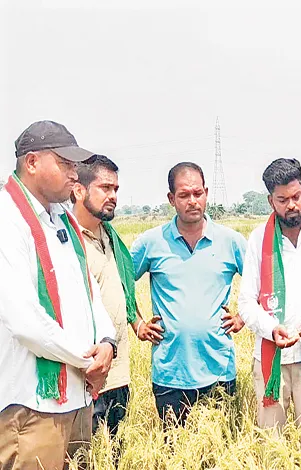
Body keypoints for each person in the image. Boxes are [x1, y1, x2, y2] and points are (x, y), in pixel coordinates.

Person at [0, 121, 116, 470]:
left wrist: (106, 343)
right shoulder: (8, 220)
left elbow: (90, 292)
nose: (74, 173)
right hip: (32, 406)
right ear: (32, 162)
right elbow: (25, 322)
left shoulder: (62, 219)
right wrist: (87, 361)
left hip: (77, 398)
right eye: (64, 163)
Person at [130, 162, 247, 426]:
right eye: (184, 195)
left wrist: (242, 317)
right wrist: (137, 323)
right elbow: (120, 283)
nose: (192, 201)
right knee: (174, 446)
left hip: (219, 369)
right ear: (171, 199)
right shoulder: (152, 242)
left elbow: (262, 283)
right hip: (170, 373)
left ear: (207, 193)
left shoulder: (230, 241)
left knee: (220, 447)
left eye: (198, 193)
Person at [238, 158, 301, 464]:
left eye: (296, 196)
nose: (292, 205)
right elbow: (246, 302)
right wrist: (272, 329)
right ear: (271, 201)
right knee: (274, 449)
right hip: (271, 361)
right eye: (283, 200)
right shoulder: (259, 239)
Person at [70, 155, 162, 437]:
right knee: (84, 453)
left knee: (115, 451)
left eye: (116, 189)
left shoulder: (110, 237)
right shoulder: (65, 239)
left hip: (118, 373)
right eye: (105, 188)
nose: (113, 196)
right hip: (86, 374)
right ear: (79, 190)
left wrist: (137, 323)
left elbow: (120, 288)